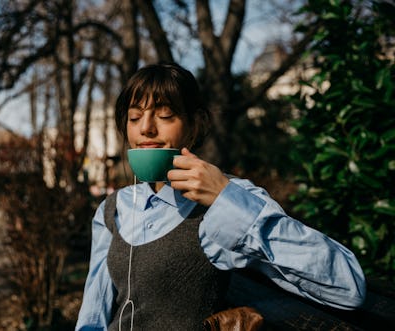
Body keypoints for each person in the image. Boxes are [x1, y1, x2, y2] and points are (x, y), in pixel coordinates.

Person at [75, 62, 366, 330]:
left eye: (165, 115)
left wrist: (225, 197)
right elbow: (92, 316)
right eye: (134, 116)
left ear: (195, 125)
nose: (145, 128)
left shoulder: (228, 200)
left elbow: (348, 288)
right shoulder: (112, 208)